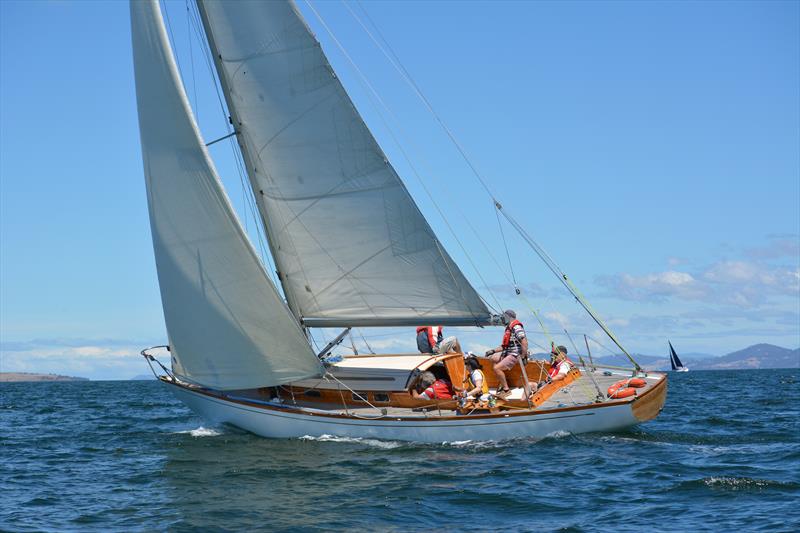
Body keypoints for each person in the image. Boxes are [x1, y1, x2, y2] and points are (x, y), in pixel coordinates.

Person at [484, 309, 527, 396]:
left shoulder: (516, 327)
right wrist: (492, 351)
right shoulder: (509, 328)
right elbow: (504, 346)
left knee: (497, 368)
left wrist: (523, 356)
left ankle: (506, 390)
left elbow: (524, 341)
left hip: (515, 354)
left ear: (508, 317)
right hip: (508, 352)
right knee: (493, 358)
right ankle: (501, 382)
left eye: (503, 317)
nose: (502, 319)